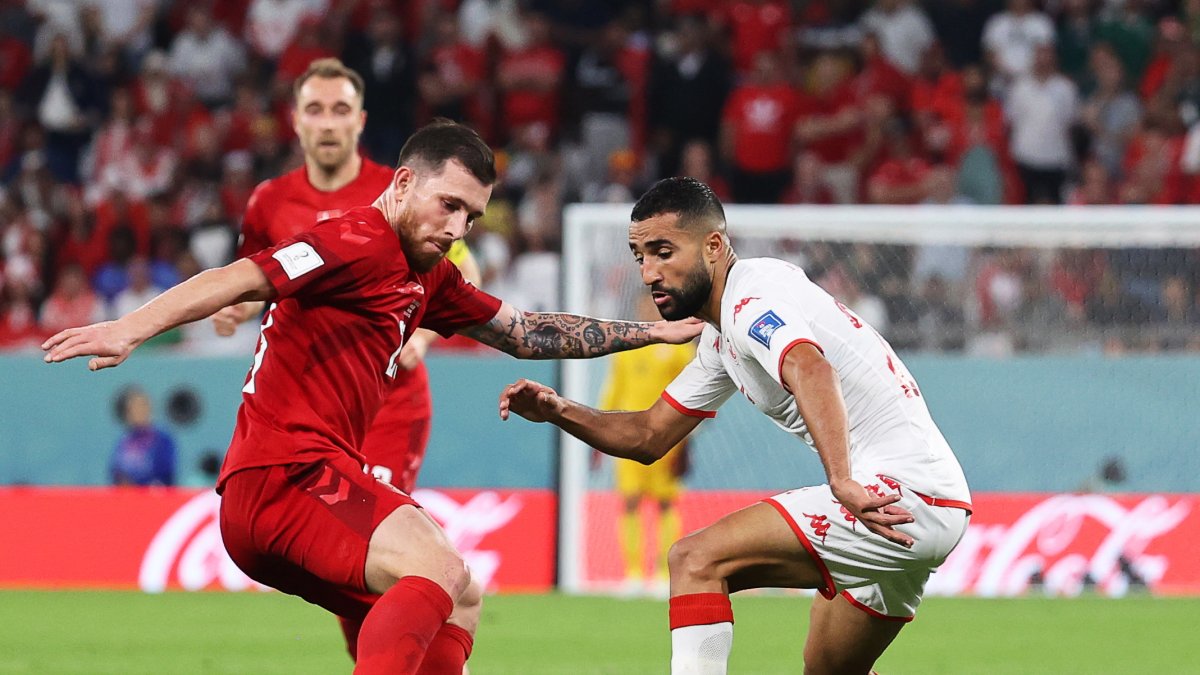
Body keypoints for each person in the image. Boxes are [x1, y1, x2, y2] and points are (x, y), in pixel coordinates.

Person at [44, 120, 703, 675]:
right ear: (405, 182)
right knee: (437, 567)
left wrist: (651, 330)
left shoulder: (428, 277)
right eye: (448, 204)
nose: (458, 226)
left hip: (307, 479)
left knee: (463, 593)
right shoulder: (353, 240)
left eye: (471, 215)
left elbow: (526, 333)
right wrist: (130, 326)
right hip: (282, 475)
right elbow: (240, 276)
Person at [498, 177, 971, 675]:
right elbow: (648, 436)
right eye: (640, 256)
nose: (650, 272)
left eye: (663, 252)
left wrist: (841, 481)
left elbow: (811, 368)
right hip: (923, 500)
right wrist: (558, 410)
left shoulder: (751, 303)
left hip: (897, 494)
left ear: (713, 246)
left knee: (695, 560)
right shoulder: (722, 337)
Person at [210, 57, 479, 659]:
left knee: (396, 560)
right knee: (386, 566)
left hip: (387, 406)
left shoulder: (403, 190)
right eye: (314, 110)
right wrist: (231, 311)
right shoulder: (269, 202)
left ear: (359, 121)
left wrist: (424, 336)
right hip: (307, 413)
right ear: (295, 122)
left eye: (339, 110)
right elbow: (254, 279)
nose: (327, 123)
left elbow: (460, 279)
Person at [597, 294, 695, 597]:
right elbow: (614, 388)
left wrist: (686, 438)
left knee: (666, 502)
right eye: (643, 305)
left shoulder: (678, 346)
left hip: (666, 435)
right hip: (627, 433)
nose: (647, 309)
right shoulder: (625, 347)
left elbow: (693, 390)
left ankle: (665, 574)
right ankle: (634, 574)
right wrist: (600, 432)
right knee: (630, 501)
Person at [109, 387, 177, 486]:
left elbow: (165, 474)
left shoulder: (162, 440)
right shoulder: (124, 442)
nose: (139, 411)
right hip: (127, 498)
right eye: (133, 408)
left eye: (142, 406)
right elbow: (116, 472)